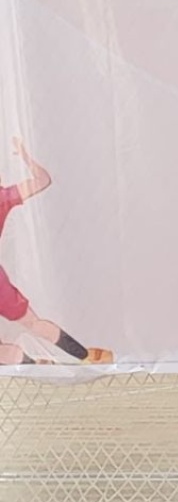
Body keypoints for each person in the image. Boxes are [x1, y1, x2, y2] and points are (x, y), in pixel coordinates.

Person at [0, 138, 112, 366]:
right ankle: (83, 356)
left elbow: (43, 181)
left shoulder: (5, 197)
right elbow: (43, 180)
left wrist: (25, 156)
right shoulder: (5, 197)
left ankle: (46, 364)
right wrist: (25, 157)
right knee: (31, 323)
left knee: (30, 323)